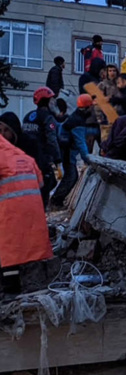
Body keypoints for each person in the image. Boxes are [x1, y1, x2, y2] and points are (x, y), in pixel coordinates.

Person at [0, 134, 52, 295]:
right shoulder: (25, 157)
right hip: (32, 215)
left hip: (9, 214)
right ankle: (19, 286)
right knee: (17, 252)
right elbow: (41, 183)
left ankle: (9, 289)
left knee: (8, 252)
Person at [22, 87, 62, 206]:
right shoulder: (47, 118)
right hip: (42, 159)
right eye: (51, 100)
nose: (53, 103)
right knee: (48, 183)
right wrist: (58, 159)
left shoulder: (28, 116)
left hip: (26, 158)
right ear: (46, 101)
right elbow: (52, 140)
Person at [51, 94, 93, 208]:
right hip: (67, 152)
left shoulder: (75, 117)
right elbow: (81, 143)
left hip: (64, 150)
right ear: (87, 107)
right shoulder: (78, 121)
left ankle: (56, 200)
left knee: (70, 175)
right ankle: (56, 201)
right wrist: (88, 159)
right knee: (71, 176)